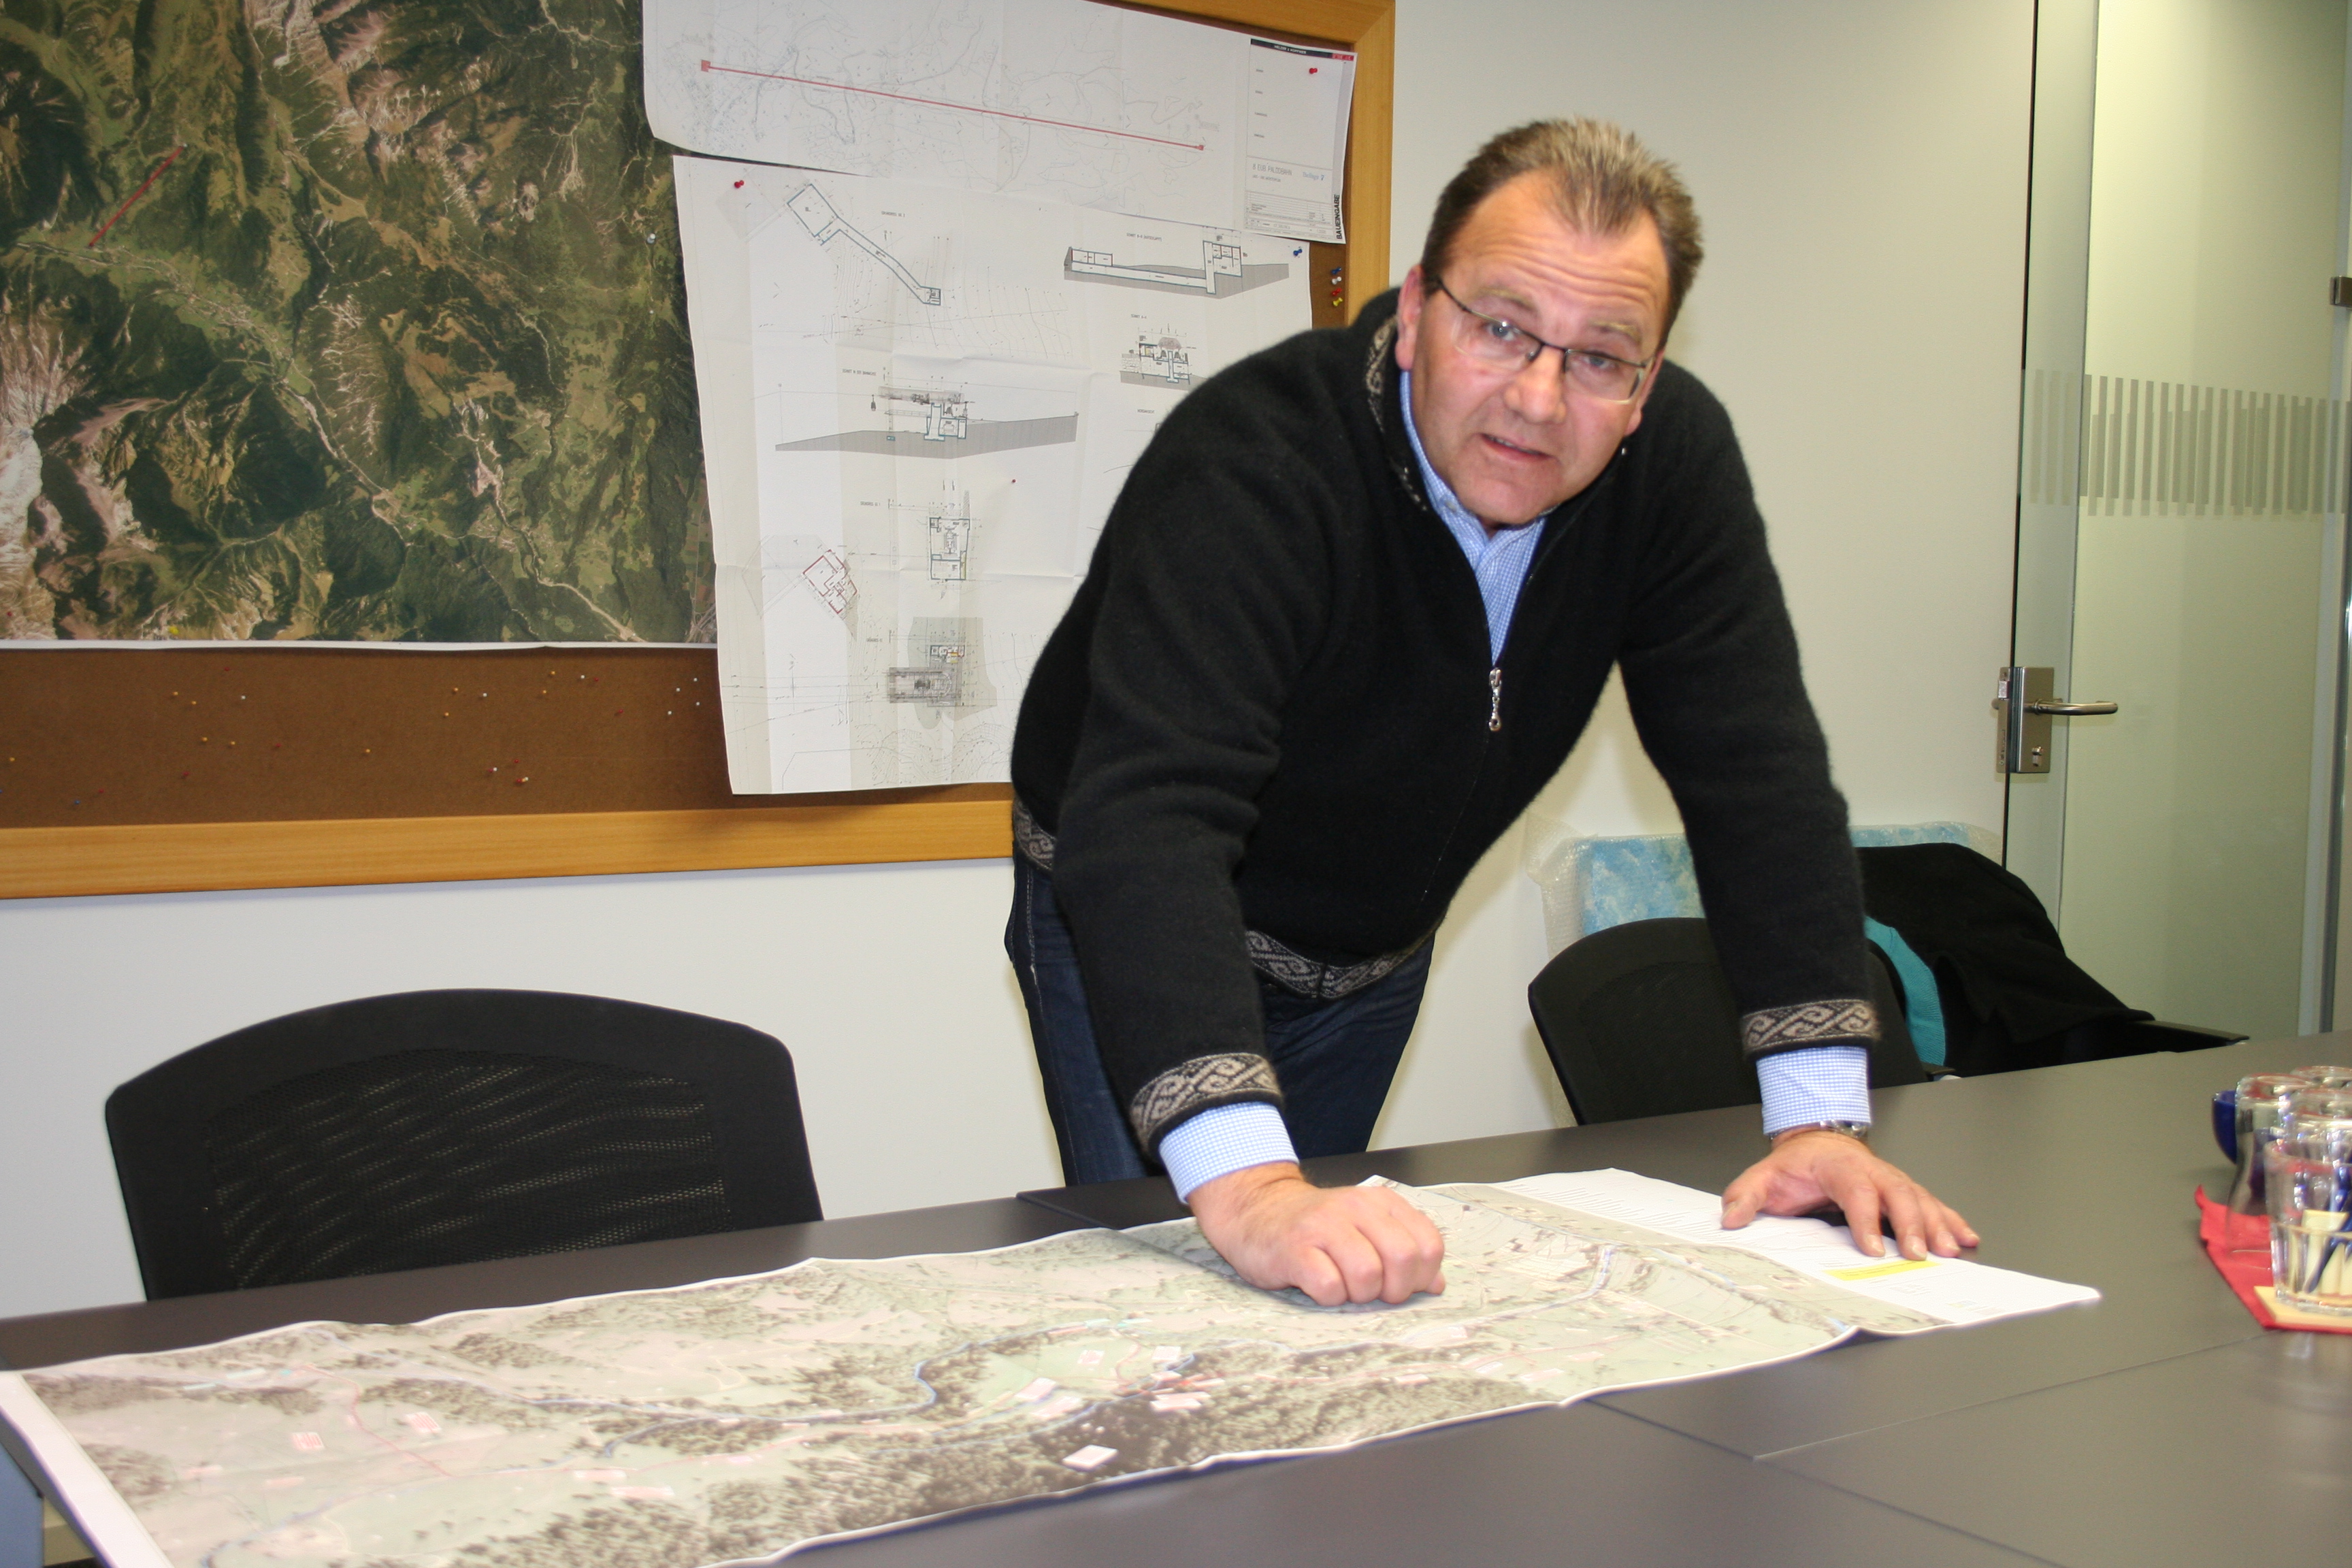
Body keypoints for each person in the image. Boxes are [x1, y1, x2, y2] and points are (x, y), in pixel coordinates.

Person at [1004, 118, 1976, 1307]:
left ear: (1646, 385)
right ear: (1418, 311)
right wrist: (1249, 1185)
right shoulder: (1257, 455)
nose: (1538, 398)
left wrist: (1818, 1120)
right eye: (1502, 327)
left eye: (1602, 357)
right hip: (1129, 901)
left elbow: (1756, 775)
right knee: (1178, 1282)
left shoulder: (1672, 469)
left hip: (1372, 945)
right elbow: (1154, 816)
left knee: (1321, 1297)